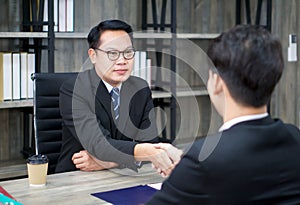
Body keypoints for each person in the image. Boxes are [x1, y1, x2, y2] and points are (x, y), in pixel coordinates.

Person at [147, 24, 300, 204]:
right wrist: (186, 169)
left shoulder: (203, 161)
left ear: (217, 82)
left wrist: (187, 173)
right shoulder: (294, 138)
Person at [55, 19, 182, 175]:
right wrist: (142, 154)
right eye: (112, 53)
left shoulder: (140, 88)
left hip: (124, 176)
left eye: (128, 53)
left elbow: (150, 142)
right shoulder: (75, 89)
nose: (122, 61)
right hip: (76, 177)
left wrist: (109, 162)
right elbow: (98, 144)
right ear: (93, 55)